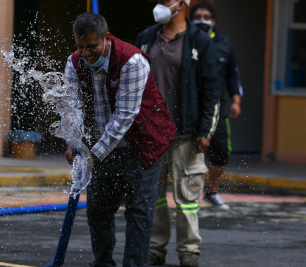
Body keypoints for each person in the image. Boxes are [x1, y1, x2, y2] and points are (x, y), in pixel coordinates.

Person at [64, 13, 176, 266]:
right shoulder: (73, 62)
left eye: (92, 46)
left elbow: (124, 117)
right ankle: (103, 264)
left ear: (107, 38)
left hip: (142, 145)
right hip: (102, 147)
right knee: (98, 212)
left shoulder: (132, 61)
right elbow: (72, 107)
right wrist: (73, 141)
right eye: (80, 47)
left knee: (139, 213)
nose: (86, 53)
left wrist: (92, 154)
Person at [135, 0, 220, 266]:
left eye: (165, 0)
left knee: (187, 197)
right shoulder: (146, 38)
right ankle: (155, 248)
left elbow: (211, 90)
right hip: (151, 133)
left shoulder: (200, 41)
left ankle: (189, 252)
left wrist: (206, 130)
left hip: (186, 134)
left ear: (181, 4)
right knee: (153, 197)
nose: (159, 4)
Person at [190, 2, 243, 211]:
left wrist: (236, 100)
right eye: (198, 16)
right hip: (190, 106)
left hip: (217, 107)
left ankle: (211, 191)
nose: (202, 20)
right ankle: (188, 191)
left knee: (220, 150)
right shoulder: (187, 41)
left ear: (213, 21)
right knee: (187, 149)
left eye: (206, 16)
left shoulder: (223, 43)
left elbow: (232, 74)